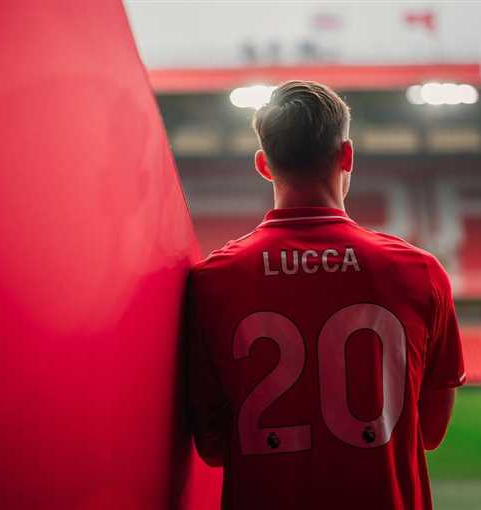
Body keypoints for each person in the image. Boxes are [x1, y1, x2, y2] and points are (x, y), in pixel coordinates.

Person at [185, 80, 465, 510]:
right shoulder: (419, 272)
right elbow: (429, 433)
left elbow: (214, 447)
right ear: (347, 155)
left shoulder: (212, 281)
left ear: (263, 165)